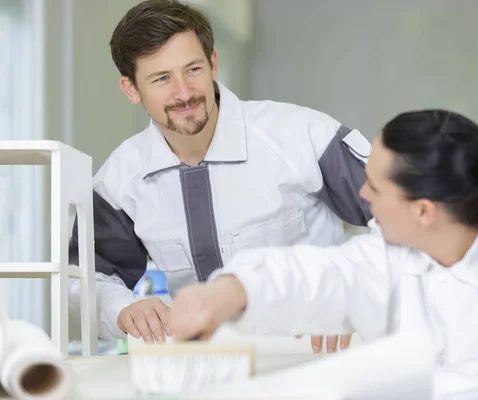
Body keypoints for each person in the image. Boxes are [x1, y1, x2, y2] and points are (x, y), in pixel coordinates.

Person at [169, 109, 478, 398]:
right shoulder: (396, 254)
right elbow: (321, 274)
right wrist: (230, 291)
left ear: (423, 211)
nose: (361, 193)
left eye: (375, 186)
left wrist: (383, 377)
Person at [67, 0, 373, 353]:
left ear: (213, 63)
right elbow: (85, 278)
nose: (184, 93)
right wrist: (120, 307)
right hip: (203, 366)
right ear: (132, 89)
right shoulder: (118, 180)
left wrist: (348, 296)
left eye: (193, 69)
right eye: (162, 78)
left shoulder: (306, 136)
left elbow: (404, 227)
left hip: (314, 356)